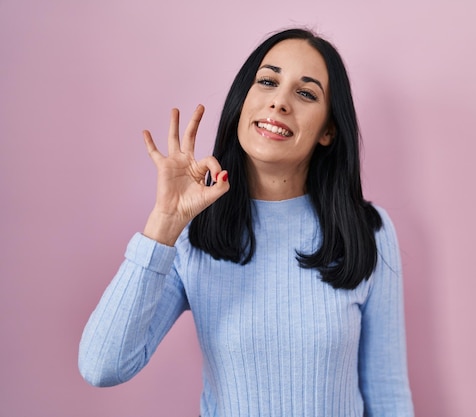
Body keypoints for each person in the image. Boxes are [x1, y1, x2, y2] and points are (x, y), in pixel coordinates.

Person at [78, 28, 414, 416]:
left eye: (305, 93)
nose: (279, 102)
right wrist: (164, 224)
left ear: (328, 130)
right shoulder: (192, 231)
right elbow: (101, 366)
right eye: (268, 81)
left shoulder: (368, 230)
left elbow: (388, 396)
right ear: (243, 101)